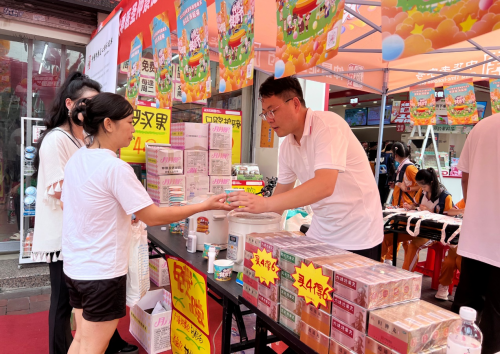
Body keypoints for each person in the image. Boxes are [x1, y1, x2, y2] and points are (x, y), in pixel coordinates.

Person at [61, 92, 233, 354]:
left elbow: (70, 204)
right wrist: (205, 205)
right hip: (102, 273)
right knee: (94, 346)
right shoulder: (115, 168)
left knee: (83, 339)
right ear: (109, 124)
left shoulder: (77, 159)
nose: (133, 130)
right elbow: (152, 216)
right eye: (129, 122)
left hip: (76, 267)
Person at [31, 73, 138, 354]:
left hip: (84, 238)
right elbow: (63, 191)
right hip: (65, 236)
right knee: (63, 304)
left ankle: (106, 344)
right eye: (88, 103)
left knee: (87, 321)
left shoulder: (83, 144)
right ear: (70, 105)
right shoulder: (57, 139)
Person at [228, 76, 383, 260]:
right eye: (264, 113)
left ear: (294, 103)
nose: (268, 120)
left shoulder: (327, 126)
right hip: (321, 232)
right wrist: (247, 216)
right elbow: (280, 197)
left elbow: (325, 185)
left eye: (272, 111)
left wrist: (265, 203)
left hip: (358, 235)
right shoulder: (287, 146)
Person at [451, 114, 500, 353]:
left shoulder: (482, 126)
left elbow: (466, 178)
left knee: (464, 308)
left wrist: (477, 215)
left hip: (475, 236)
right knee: (495, 320)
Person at [401, 168, 454, 272]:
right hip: (417, 227)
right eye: (421, 186)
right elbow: (415, 204)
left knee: (413, 245)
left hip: (434, 232)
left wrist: (430, 211)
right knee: (389, 235)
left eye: (424, 186)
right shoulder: (422, 191)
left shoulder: (445, 197)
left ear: (432, 183)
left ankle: (405, 275)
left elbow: (448, 219)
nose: (423, 189)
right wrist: (410, 206)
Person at [381, 142, 419, 263]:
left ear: (395, 154)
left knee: (402, 238)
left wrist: (406, 189)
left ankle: (396, 261)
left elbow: (422, 185)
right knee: (395, 235)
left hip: (406, 207)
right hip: (399, 206)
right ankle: (390, 259)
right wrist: (396, 186)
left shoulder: (409, 167)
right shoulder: (403, 166)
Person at [435, 199, 465, 301]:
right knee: (448, 262)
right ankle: (444, 285)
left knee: (460, 261)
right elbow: (450, 211)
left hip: (473, 246)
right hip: (459, 241)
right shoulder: (467, 200)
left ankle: (467, 290)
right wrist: (462, 211)